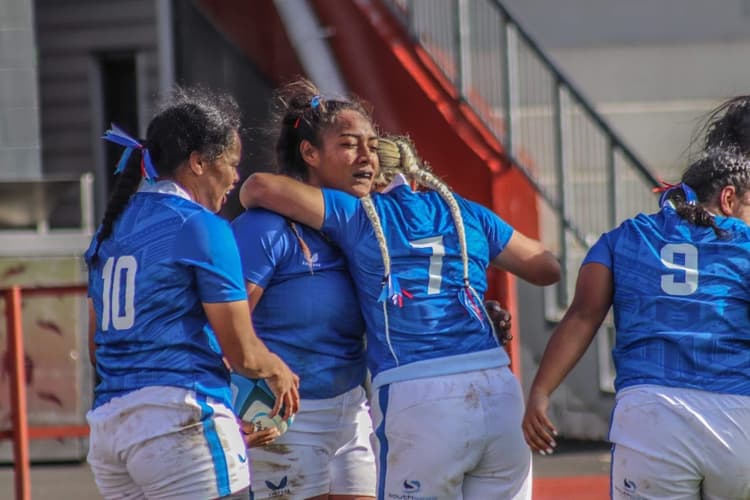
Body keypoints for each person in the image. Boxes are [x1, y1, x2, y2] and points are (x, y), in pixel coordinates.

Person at [239, 126, 560, 498]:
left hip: (420, 392)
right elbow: (547, 268)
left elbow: (259, 187)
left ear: (375, 176)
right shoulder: (466, 212)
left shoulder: (360, 212)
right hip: (498, 389)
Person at [522, 100, 750, 499]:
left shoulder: (624, 239)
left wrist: (540, 392)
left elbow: (581, 316)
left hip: (651, 419)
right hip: (738, 419)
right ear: (729, 199)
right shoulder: (744, 244)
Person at [84, 85, 299, 500]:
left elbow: (97, 347)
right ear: (199, 162)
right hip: (179, 418)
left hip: (111, 432)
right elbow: (242, 353)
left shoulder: (110, 230)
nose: (236, 178)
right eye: (232, 164)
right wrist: (278, 371)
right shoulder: (199, 226)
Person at [230, 79, 377, 499]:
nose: (367, 156)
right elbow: (220, 326)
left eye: (372, 144)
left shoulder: (364, 230)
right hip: (281, 417)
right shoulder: (265, 227)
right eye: (350, 144)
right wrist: (237, 405)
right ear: (310, 153)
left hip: (352, 412)